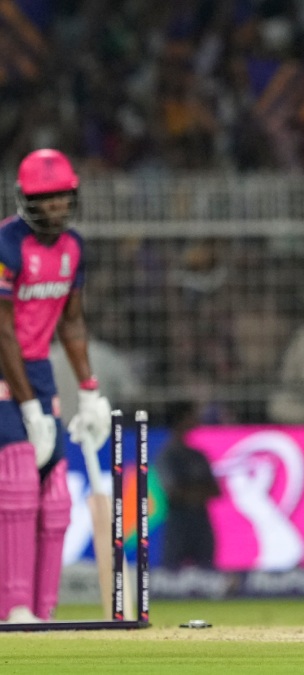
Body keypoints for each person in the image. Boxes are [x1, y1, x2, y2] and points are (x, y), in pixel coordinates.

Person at [0, 149, 113, 622]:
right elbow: (2, 329)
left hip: (39, 373)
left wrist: (89, 391)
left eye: (63, 197)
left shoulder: (73, 248)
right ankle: (12, 607)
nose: (56, 207)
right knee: (18, 481)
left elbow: (71, 323)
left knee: (56, 495)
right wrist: (29, 409)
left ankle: (42, 610)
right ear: (26, 200)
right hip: (4, 369)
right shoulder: (6, 245)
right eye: (46, 199)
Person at [156, 400, 220, 569]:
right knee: (172, 572)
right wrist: (198, 491)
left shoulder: (197, 456)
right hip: (179, 521)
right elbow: (174, 492)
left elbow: (215, 490)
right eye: (191, 416)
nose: (196, 419)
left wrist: (190, 491)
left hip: (200, 520)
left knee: (207, 570)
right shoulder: (167, 455)